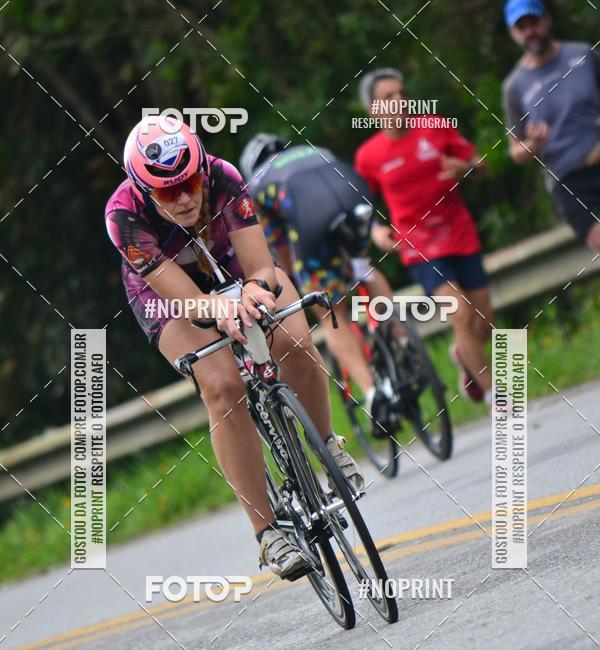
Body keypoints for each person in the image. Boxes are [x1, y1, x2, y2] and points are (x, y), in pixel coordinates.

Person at [105, 115, 363, 579]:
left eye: (189, 183)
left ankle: (327, 444)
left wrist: (254, 291)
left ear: (202, 168)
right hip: (167, 291)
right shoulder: (123, 217)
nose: (184, 198)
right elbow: (191, 303)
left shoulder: (224, 176)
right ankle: (267, 533)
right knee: (223, 387)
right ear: (145, 193)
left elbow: (262, 267)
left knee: (293, 337)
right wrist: (221, 311)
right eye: (167, 192)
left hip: (229, 262)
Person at [354, 68, 495, 409]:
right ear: (374, 110)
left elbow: (482, 165)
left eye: (402, 93)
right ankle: (496, 397)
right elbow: (363, 202)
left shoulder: (435, 126)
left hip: (459, 234)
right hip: (420, 247)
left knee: (484, 324)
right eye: (389, 97)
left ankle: (464, 356)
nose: (399, 101)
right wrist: (375, 230)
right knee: (460, 313)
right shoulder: (368, 157)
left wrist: (468, 169)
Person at [239, 133, 395, 432]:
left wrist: (294, 286)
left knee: (329, 311)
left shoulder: (257, 184)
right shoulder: (314, 148)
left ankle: (373, 393)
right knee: (363, 268)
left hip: (312, 218)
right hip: (354, 196)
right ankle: (401, 338)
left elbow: (278, 249)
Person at [502, 0, 600, 251]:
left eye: (533, 23)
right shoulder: (514, 87)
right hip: (568, 180)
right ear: (512, 34)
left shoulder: (583, 54)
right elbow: (515, 151)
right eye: (521, 28)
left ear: (546, 20)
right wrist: (532, 145)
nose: (530, 32)